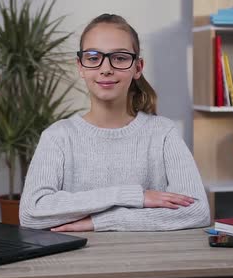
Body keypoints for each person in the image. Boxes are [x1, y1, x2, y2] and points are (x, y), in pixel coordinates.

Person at [19, 13, 210, 231]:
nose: (106, 68)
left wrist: (99, 222)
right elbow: (31, 213)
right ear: (80, 66)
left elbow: (196, 211)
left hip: (149, 262)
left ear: (137, 68)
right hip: (77, 263)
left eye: (119, 58)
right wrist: (132, 196)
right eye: (93, 57)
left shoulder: (163, 132)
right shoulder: (58, 136)